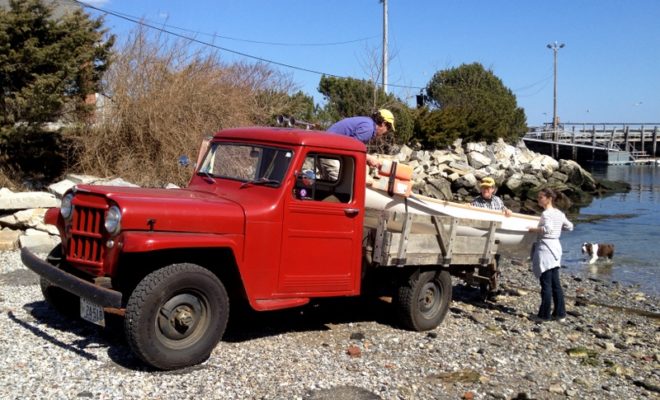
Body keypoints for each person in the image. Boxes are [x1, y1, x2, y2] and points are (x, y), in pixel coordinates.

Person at [528, 188, 574, 322]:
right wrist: (558, 230)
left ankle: (544, 315)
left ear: (548, 198)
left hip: (546, 247)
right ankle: (560, 314)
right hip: (556, 246)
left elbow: (547, 229)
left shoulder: (546, 214)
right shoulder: (559, 213)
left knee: (546, 283)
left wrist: (533, 230)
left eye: (540, 197)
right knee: (555, 283)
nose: (538, 200)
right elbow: (570, 227)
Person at [323, 109, 395, 179]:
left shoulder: (367, 123)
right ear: (383, 123)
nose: (386, 132)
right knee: (342, 182)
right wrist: (369, 158)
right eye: (388, 128)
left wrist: (366, 159)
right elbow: (352, 148)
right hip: (329, 150)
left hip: (326, 148)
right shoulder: (368, 129)